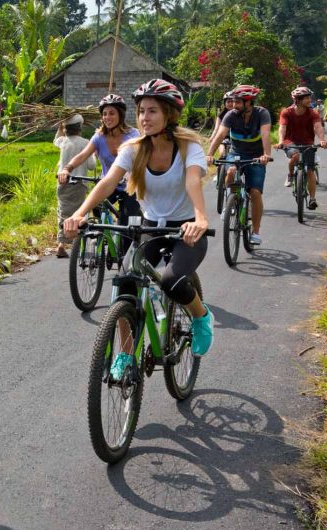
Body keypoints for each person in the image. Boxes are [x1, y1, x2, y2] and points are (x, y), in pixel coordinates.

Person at [63, 79, 215, 377]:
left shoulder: (188, 147)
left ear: (169, 114)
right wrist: (79, 213)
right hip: (150, 228)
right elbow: (108, 182)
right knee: (125, 285)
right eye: (142, 111)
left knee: (171, 280)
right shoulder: (133, 148)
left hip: (186, 230)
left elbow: (193, 181)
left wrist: (200, 218)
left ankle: (201, 317)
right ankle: (126, 356)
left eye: (153, 111)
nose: (145, 117)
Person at [57, 94, 141, 258]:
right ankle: (104, 234)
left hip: (130, 187)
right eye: (104, 114)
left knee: (126, 224)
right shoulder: (99, 137)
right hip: (108, 185)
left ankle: (126, 253)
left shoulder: (133, 136)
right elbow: (82, 155)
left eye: (112, 113)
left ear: (120, 115)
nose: (107, 117)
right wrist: (67, 168)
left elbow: (141, 159)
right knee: (95, 206)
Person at [205, 84, 273, 245]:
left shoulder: (262, 113)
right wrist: (209, 154)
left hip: (256, 156)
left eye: (238, 102)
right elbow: (221, 134)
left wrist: (266, 155)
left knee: (255, 192)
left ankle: (255, 232)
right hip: (236, 153)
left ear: (249, 102)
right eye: (233, 101)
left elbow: (265, 134)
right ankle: (232, 200)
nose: (234, 105)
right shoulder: (231, 115)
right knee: (230, 172)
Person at [276, 86, 327, 210]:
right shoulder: (287, 112)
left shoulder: (312, 113)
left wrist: (322, 140)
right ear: (298, 100)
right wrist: (280, 141)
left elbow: (318, 127)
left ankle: (312, 199)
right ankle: (290, 175)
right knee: (296, 156)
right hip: (290, 142)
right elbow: (282, 128)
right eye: (306, 98)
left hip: (308, 142)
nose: (310, 100)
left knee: (310, 170)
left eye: (310, 97)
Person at [53, 114, 96, 257]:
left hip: (62, 181)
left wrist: (60, 126)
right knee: (79, 213)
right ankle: (79, 244)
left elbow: (55, 140)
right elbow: (91, 165)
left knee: (63, 212)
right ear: (80, 128)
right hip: (79, 183)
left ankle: (61, 244)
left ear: (66, 129)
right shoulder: (85, 143)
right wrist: (94, 153)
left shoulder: (63, 141)